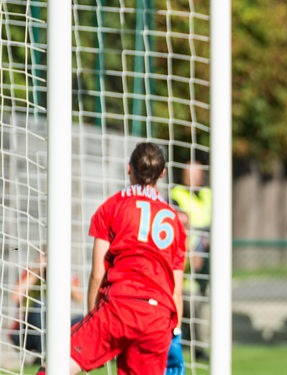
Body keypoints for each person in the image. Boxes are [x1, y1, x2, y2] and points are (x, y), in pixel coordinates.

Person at [38, 143, 187, 374]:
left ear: (129, 168)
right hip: (157, 318)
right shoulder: (176, 222)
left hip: (119, 307)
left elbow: (98, 273)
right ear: (163, 173)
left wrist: (92, 315)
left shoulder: (112, 207)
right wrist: (174, 333)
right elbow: (176, 290)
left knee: (58, 364)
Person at [171, 158, 211, 361]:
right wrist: (192, 250)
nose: (192, 178)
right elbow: (180, 224)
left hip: (207, 260)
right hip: (185, 261)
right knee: (187, 302)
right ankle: (190, 346)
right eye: (189, 173)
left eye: (196, 173)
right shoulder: (175, 194)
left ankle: (197, 346)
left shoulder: (208, 195)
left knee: (201, 303)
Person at [10, 253, 84, 360]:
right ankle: (45, 356)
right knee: (41, 305)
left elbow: (79, 298)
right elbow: (15, 297)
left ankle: (68, 356)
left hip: (58, 327)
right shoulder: (30, 272)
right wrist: (36, 271)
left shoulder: (64, 273)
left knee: (82, 319)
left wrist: (63, 273)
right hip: (28, 330)